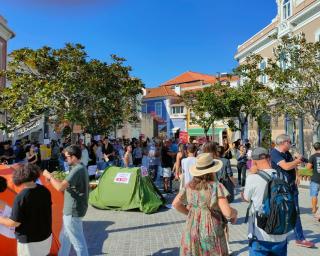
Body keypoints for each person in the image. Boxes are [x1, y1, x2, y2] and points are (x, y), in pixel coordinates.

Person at [173, 153, 237, 256]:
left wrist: (190, 213)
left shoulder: (189, 185)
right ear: (212, 171)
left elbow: (175, 204)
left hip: (192, 226)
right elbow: (228, 212)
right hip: (211, 228)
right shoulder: (216, 186)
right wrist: (235, 213)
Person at [242, 147, 290, 256]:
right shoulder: (283, 176)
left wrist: (250, 174)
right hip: (281, 233)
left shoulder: (252, 178)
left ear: (253, 161)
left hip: (260, 235)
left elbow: (246, 198)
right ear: (269, 158)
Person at [43, 144, 89, 256]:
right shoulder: (80, 167)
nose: (65, 159)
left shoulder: (77, 169)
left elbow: (60, 187)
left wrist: (49, 177)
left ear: (73, 157)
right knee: (65, 240)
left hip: (72, 211)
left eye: (67, 157)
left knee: (78, 243)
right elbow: (69, 185)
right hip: (73, 210)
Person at [270, 134, 314, 248]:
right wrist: (298, 161)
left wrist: (297, 175)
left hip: (291, 188)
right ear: (284, 142)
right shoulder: (274, 153)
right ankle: (273, 237)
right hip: (281, 189)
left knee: (295, 212)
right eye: (289, 142)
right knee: (280, 213)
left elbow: (292, 166)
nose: (291, 144)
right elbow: (285, 166)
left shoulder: (287, 153)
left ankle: (300, 238)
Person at [0, 164, 52, 256]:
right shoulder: (44, 190)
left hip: (29, 240)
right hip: (46, 235)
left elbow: (14, 222)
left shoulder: (21, 197)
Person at [306, 142, 320, 216]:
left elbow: (308, 168)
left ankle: (314, 209)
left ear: (314, 148)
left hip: (315, 179)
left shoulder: (312, 156)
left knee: (314, 195)